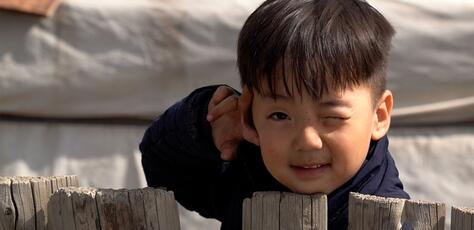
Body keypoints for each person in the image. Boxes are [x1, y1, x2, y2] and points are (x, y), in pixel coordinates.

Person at [139, 0, 410, 229]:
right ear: (248, 113)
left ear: (380, 115)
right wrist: (204, 126)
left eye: (332, 117)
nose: (307, 141)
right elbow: (165, 166)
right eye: (280, 115)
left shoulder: (387, 217)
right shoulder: (246, 170)